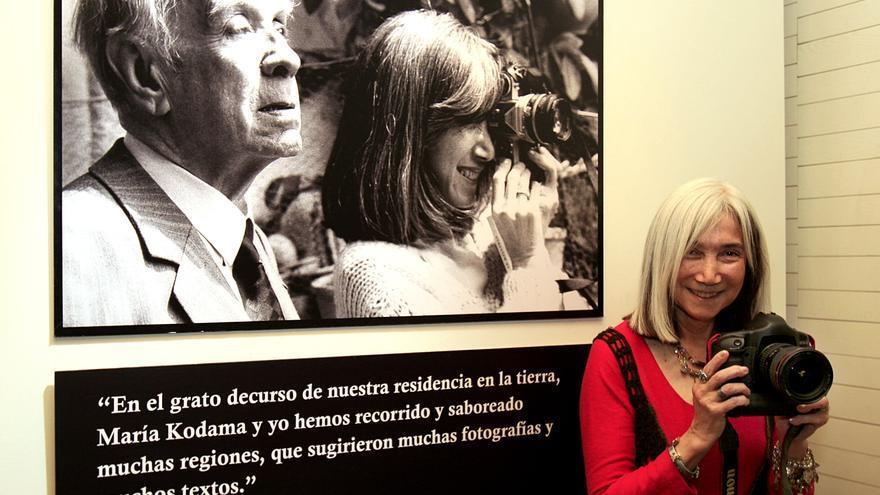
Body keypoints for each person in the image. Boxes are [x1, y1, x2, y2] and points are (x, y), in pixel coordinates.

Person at [321, 10, 582, 318]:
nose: (487, 150)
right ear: (410, 131)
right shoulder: (371, 272)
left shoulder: (482, 241)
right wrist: (525, 262)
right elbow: (508, 364)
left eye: (490, 123)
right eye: (468, 122)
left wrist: (538, 236)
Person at [579, 178, 829, 494]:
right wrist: (696, 438)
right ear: (663, 259)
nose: (709, 275)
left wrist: (794, 441)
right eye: (692, 252)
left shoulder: (770, 353)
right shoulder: (617, 354)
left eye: (729, 253)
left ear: (750, 264)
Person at [62, 0, 302, 327]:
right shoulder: (70, 249)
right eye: (239, 27)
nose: (289, 58)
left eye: (279, 26)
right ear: (145, 74)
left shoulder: (242, 240)